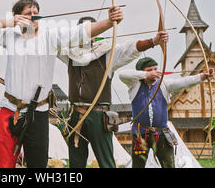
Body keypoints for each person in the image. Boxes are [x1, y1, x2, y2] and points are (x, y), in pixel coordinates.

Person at [0, 0, 123, 168]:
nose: (33, 17)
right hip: (10, 110)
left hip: (38, 112)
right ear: (18, 17)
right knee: (3, 165)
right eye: (28, 13)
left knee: (38, 165)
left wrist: (109, 21)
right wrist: (11, 22)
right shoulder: (10, 36)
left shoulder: (50, 36)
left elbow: (82, 32)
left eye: (35, 13)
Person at [57, 16, 169, 168]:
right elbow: (53, 43)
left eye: (90, 30)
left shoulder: (107, 53)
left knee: (106, 163)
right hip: (76, 115)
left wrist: (153, 41)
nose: (86, 34)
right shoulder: (70, 53)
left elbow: (131, 48)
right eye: (82, 32)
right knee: (76, 163)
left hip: (99, 116)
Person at [118, 57, 214, 168]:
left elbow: (183, 82)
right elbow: (122, 74)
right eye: (150, 70)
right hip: (140, 135)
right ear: (141, 71)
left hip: (162, 135)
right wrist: (145, 75)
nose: (154, 72)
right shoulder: (134, 85)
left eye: (155, 69)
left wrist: (201, 77)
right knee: (138, 165)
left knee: (168, 165)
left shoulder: (164, 84)